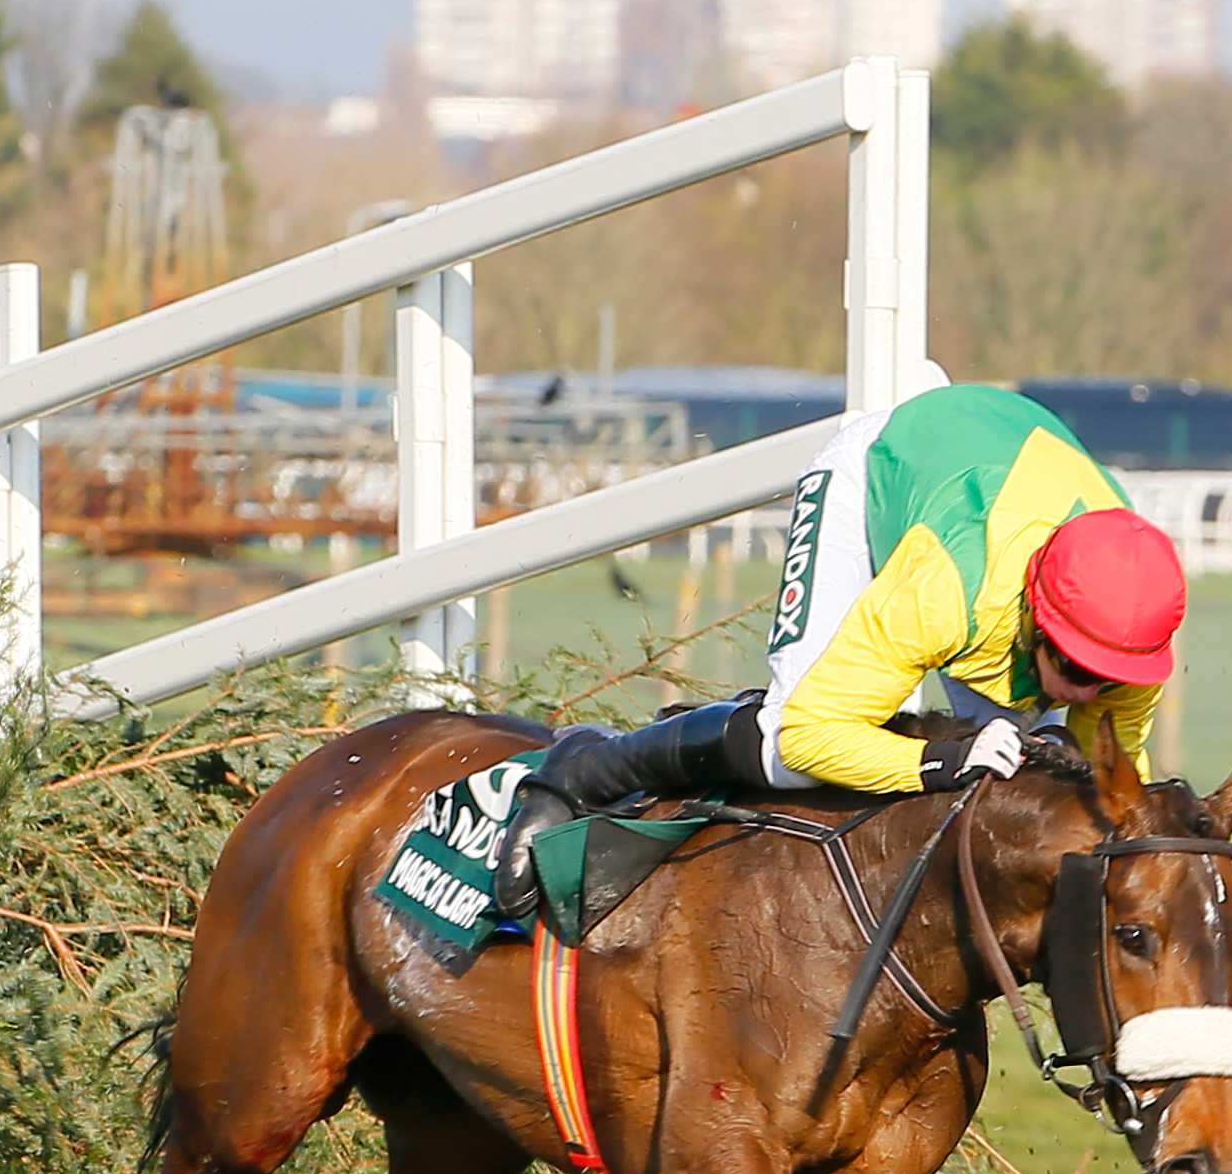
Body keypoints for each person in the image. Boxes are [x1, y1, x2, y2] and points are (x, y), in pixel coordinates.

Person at [494, 382, 1186, 919]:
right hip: (878, 479)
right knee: (786, 746)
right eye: (1071, 666)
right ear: (1036, 617)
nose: (1089, 694)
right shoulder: (942, 590)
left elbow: (1120, 807)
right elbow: (810, 737)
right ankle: (588, 769)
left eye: (1107, 678)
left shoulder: (1129, 630)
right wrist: (936, 758)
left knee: (1035, 777)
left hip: (997, 488)